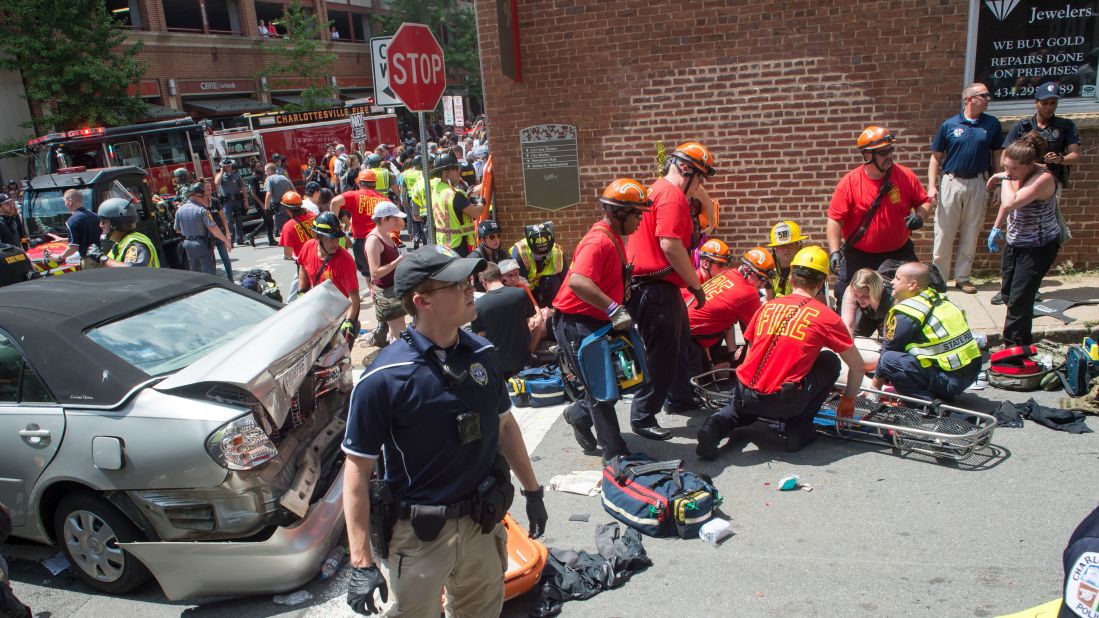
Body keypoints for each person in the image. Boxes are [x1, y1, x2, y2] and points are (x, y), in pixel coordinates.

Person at [342, 246, 548, 618]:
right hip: (419, 538)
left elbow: (504, 424)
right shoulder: (383, 378)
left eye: (469, 279)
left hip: (482, 525)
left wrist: (533, 491)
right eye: (456, 283)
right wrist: (361, 562)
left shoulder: (484, 354)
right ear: (422, 301)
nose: (471, 288)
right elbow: (357, 468)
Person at [695, 246, 865, 460]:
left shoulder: (766, 307)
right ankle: (798, 428)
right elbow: (857, 366)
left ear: (792, 279)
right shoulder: (826, 317)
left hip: (745, 391)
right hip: (785, 400)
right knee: (829, 361)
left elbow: (750, 353)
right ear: (821, 283)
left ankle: (714, 427)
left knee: (738, 413)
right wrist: (848, 399)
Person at [553, 178, 650, 461]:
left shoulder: (612, 238)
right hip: (577, 322)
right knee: (600, 390)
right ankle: (616, 455)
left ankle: (578, 414)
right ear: (619, 213)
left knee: (614, 382)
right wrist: (613, 309)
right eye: (637, 214)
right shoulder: (599, 242)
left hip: (594, 320)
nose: (640, 221)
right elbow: (579, 283)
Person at [625, 141, 714, 441]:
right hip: (656, 288)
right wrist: (696, 285)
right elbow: (671, 245)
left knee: (678, 345)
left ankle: (679, 395)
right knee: (662, 355)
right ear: (686, 170)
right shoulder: (672, 196)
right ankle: (643, 414)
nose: (700, 184)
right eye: (700, 176)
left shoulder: (658, 190)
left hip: (657, 286)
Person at [827, 126, 932, 306]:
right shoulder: (850, 183)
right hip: (860, 254)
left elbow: (924, 201)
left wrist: (920, 217)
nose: (889, 155)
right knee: (846, 295)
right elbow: (835, 219)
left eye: (890, 150)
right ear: (868, 155)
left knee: (913, 296)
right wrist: (834, 252)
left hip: (899, 252)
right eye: (883, 152)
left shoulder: (905, 176)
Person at [987, 132, 1061, 347]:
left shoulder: (1043, 178)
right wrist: (996, 227)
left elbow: (1011, 202)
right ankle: (1020, 337)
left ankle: (1015, 348)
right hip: (1015, 241)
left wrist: (1004, 178)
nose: (1008, 171)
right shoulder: (1017, 176)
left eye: (1013, 168)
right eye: (1005, 166)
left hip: (1038, 247)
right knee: (1008, 294)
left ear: (1031, 164)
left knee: (1020, 300)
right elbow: (1005, 205)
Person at [928, 83, 1002, 295]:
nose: (988, 99)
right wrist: (932, 185)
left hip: (979, 182)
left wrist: (1000, 182)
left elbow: (998, 155)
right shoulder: (950, 125)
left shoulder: (992, 125)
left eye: (988, 95)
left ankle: (963, 277)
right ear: (969, 99)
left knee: (971, 231)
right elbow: (935, 158)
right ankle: (939, 279)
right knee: (944, 232)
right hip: (952, 181)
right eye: (983, 95)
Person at [871, 262, 981, 401]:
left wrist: (873, 389)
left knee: (888, 360)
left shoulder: (908, 312)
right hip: (970, 372)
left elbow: (888, 350)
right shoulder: (939, 299)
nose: (892, 282)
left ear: (912, 285)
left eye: (898, 278)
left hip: (951, 379)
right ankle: (941, 394)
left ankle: (922, 404)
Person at [673, 246, 774, 398]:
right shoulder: (748, 293)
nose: (763, 284)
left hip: (682, 328)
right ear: (748, 271)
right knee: (689, 395)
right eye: (762, 279)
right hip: (688, 337)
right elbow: (759, 333)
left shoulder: (729, 274)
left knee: (699, 383)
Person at [297, 212, 360, 341]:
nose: (335, 243)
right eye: (330, 239)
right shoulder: (308, 247)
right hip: (316, 312)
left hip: (338, 316)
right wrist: (301, 290)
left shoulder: (345, 261)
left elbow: (354, 297)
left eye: (337, 238)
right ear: (318, 236)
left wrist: (349, 321)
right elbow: (302, 266)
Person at [473, 261, 536, 378]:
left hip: (498, 366)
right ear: (501, 277)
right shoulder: (521, 294)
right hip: (523, 361)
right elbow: (531, 322)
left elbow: (482, 338)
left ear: (483, 281)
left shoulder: (478, 305)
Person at [365, 201, 408, 347]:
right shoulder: (374, 241)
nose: (397, 221)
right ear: (384, 220)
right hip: (386, 293)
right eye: (394, 218)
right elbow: (375, 273)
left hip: (393, 289)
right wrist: (399, 260)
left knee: (397, 330)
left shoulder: (386, 234)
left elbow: (402, 224)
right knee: (399, 335)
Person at [427, 153, 484, 257]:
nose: (459, 170)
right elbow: (476, 213)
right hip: (459, 246)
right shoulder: (454, 194)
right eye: (455, 168)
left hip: (443, 246)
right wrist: (481, 202)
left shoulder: (436, 190)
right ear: (445, 173)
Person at [332, 170, 385, 278]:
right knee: (380, 272)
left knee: (367, 273)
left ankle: (373, 291)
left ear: (359, 183)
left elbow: (335, 202)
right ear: (375, 183)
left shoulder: (354, 196)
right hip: (379, 239)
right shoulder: (383, 199)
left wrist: (335, 225)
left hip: (361, 240)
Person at [85, 198, 159, 268]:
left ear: (117, 223)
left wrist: (102, 258)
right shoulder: (120, 244)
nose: (101, 225)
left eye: (104, 222)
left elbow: (134, 271)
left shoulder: (136, 244)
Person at [510, 222, 569, 309]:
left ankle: (549, 310)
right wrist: (536, 308)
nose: (541, 256)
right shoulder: (519, 252)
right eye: (538, 254)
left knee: (553, 281)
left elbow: (566, 280)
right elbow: (519, 283)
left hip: (545, 283)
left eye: (545, 253)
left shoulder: (556, 251)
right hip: (526, 285)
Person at [173, 183, 229, 275]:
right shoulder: (202, 210)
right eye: (204, 197)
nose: (205, 199)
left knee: (195, 271)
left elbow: (177, 229)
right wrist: (226, 241)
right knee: (209, 271)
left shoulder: (180, 210)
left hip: (188, 244)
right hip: (201, 243)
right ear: (198, 196)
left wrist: (189, 233)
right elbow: (213, 228)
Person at [840, 267, 893, 338]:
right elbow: (847, 326)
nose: (860, 300)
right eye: (856, 295)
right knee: (856, 333)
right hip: (869, 311)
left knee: (889, 336)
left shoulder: (892, 298)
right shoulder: (851, 291)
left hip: (884, 309)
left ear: (876, 291)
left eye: (865, 296)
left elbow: (889, 341)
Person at [54, 189, 99, 263]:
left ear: (70, 202)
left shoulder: (72, 221)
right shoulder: (95, 216)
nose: (65, 204)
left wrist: (59, 257)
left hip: (88, 261)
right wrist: (66, 239)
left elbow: (73, 248)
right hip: (101, 259)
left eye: (65, 201)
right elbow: (91, 236)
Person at [766, 220, 808, 298]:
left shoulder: (807, 268)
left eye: (790, 244)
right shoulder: (768, 268)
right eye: (781, 246)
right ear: (775, 248)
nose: (786, 249)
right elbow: (769, 299)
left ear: (798, 245)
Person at [215, 158, 248, 247]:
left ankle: (240, 239)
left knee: (239, 221)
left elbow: (243, 187)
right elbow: (216, 183)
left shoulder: (236, 175)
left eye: (229, 165)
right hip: (227, 202)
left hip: (237, 200)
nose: (228, 167)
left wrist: (246, 199)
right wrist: (221, 172)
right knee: (229, 222)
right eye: (226, 166)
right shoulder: (221, 175)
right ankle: (231, 241)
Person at [278, 191, 316, 262]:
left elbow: (288, 255)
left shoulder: (288, 227)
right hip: (321, 259)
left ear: (287, 209)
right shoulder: (313, 216)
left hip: (306, 264)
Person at [206, 189, 234, 282]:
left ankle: (230, 278)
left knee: (225, 257)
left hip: (219, 234)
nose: (208, 190)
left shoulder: (215, 201)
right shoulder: (201, 204)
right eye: (206, 188)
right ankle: (214, 281)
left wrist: (227, 232)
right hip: (209, 236)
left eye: (209, 188)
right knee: (211, 260)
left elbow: (223, 218)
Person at [471, 219, 506, 292]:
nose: (496, 240)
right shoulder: (475, 257)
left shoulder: (502, 253)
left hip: (499, 290)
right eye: (492, 237)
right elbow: (470, 283)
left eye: (498, 236)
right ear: (482, 240)